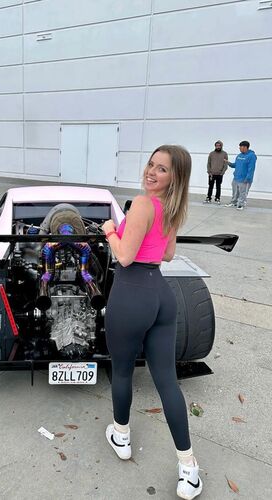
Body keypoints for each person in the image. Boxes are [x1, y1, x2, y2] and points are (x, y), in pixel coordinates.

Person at [102, 145, 202, 500]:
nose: (151, 171)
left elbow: (125, 256)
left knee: (123, 372)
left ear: (174, 177)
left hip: (131, 295)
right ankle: (189, 469)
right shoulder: (173, 208)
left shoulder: (143, 204)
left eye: (161, 169)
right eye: (151, 164)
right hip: (161, 295)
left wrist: (110, 230)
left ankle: (121, 436)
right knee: (167, 382)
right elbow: (168, 253)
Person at [224, 141, 257, 210]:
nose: (239, 148)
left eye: (240, 147)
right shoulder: (239, 155)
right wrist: (228, 163)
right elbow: (235, 165)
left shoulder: (251, 156)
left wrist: (248, 178)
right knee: (235, 192)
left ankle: (241, 204)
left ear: (245, 147)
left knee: (243, 193)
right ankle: (234, 202)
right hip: (236, 178)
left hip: (244, 179)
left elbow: (251, 168)